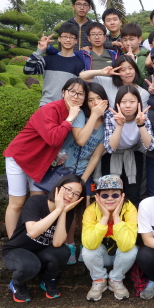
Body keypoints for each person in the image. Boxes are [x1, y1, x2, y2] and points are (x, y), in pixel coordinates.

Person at [3, 78, 88, 238]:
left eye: (80, 94)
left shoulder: (76, 114)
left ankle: (32, 239)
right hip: (20, 157)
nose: (75, 96)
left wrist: (58, 155)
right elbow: (53, 139)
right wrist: (70, 119)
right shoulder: (50, 109)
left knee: (39, 201)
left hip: (41, 163)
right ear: (63, 92)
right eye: (72, 91)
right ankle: (12, 243)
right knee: (17, 203)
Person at [2, 174, 85, 302]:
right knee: (30, 265)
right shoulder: (36, 201)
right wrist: (57, 210)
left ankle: (48, 280)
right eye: (68, 189)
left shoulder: (68, 212)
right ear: (58, 187)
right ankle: (17, 284)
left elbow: (57, 243)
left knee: (63, 251)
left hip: (41, 250)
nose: (70, 196)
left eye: (76, 194)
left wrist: (63, 212)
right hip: (17, 249)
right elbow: (32, 232)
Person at [58, 82, 108, 263]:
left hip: (83, 173)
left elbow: (95, 156)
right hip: (63, 169)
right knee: (67, 209)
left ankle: (85, 245)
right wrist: (94, 116)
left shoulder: (107, 125)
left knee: (84, 210)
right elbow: (80, 140)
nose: (95, 103)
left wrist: (83, 180)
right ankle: (69, 245)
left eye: (98, 99)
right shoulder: (80, 116)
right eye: (90, 100)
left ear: (105, 101)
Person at [81, 175, 138, 301]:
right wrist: (105, 217)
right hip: (101, 256)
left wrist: (116, 217)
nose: (110, 199)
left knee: (131, 250)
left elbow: (127, 245)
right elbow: (89, 244)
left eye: (115, 195)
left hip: (120, 256)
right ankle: (99, 279)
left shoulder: (130, 209)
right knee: (87, 250)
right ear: (97, 196)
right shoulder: (90, 211)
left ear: (122, 196)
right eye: (105, 195)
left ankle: (116, 280)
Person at [103, 85, 154, 207]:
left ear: (138, 103)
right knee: (111, 195)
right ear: (117, 103)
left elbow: (150, 146)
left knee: (133, 196)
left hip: (133, 154)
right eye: (123, 102)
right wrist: (119, 125)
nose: (128, 105)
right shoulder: (110, 115)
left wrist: (140, 124)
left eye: (132, 101)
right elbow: (110, 148)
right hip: (112, 156)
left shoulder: (142, 116)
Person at [25, 24, 90, 107]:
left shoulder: (79, 64)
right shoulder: (48, 60)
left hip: (68, 107)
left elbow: (81, 89)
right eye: (65, 36)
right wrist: (40, 51)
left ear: (76, 41)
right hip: (46, 105)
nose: (68, 40)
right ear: (59, 38)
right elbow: (28, 70)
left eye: (71, 37)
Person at [79, 54, 150, 110]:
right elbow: (83, 76)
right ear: (117, 71)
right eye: (123, 70)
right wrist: (101, 72)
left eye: (130, 68)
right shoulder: (108, 82)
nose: (128, 72)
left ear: (135, 70)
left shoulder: (143, 93)